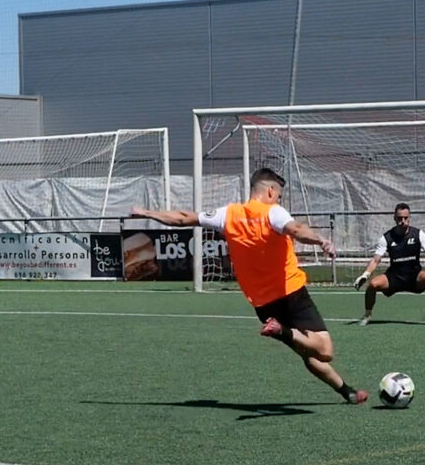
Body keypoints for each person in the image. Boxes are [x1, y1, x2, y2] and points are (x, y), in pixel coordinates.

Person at [130, 168, 368, 405]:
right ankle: (283, 331)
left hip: (263, 305)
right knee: (324, 350)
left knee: (307, 351)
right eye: (279, 195)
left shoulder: (228, 214)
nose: (279, 200)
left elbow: (183, 218)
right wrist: (321, 240)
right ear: (270, 191)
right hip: (291, 293)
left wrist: (147, 212)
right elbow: (296, 229)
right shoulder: (273, 212)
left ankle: (347, 392)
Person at [354, 202, 425, 326]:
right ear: (394, 218)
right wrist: (365, 274)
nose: (403, 221)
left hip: (414, 276)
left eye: (405, 218)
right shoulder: (387, 237)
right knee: (373, 284)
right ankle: (367, 315)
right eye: (399, 218)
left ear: (409, 218)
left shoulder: (418, 234)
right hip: (394, 277)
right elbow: (375, 260)